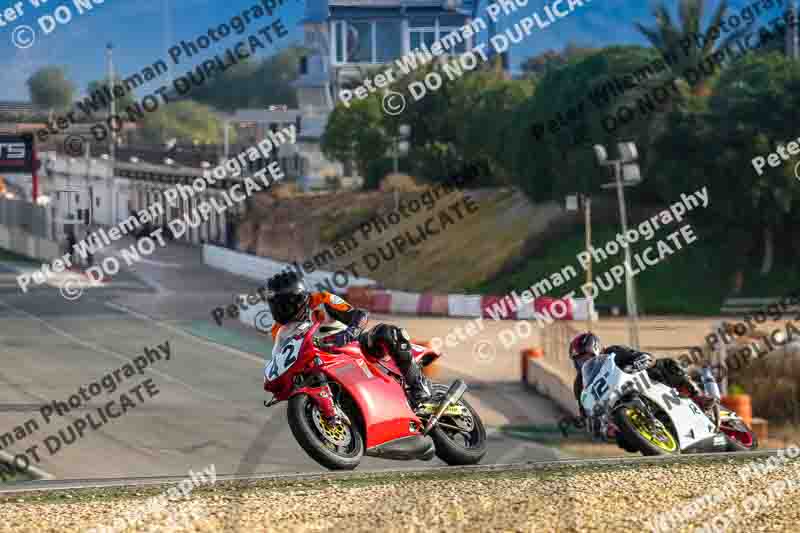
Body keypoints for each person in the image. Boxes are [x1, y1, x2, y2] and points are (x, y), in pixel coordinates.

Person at [263, 272, 432, 408]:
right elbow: (286, 359)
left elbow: (360, 315)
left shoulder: (321, 300)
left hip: (352, 347)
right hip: (322, 365)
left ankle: (418, 386)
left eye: (282, 305)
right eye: (274, 306)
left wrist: (350, 332)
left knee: (386, 333)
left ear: (296, 299)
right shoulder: (278, 330)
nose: (278, 310)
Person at [569, 332, 719, 422]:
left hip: (643, 383)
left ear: (596, 349)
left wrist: (633, 365)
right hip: (617, 409)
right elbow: (585, 412)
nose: (584, 362)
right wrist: (593, 422)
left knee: (667, 364)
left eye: (586, 357)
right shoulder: (580, 385)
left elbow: (647, 357)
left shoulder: (614, 352)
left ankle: (698, 397)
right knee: (623, 441)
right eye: (580, 360)